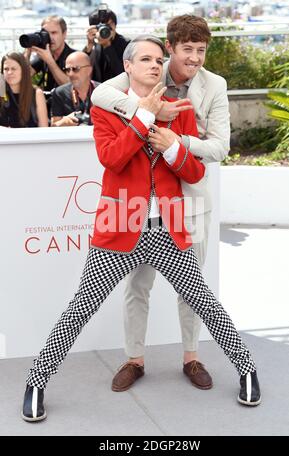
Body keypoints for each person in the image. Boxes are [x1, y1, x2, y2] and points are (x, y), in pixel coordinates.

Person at [22, 35, 260, 423]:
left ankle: (247, 369)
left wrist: (172, 146)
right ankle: (36, 381)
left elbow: (195, 170)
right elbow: (112, 160)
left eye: (159, 59)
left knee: (205, 302)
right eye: (145, 59)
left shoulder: (179, 109)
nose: (155, 65)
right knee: (80, 309)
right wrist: (145, 117)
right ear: (127, 67)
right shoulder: (107, 110)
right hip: (119, 227)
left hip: (167, 229)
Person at [90, 14, 230, 391]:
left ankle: (192, 357)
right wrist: (148, 113)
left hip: (191, 198)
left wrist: (176, 142)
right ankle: (134, 359)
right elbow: (99, 95)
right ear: (170, 49)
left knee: (194, 287)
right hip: (141, 207)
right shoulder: (147, 66)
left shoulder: (214, 85)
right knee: (137, 285)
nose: (196, 58)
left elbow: (220, 147)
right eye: (188, 50)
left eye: (201, 50)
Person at [26, 15, 76, 93]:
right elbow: (24, 75)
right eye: (46, 33)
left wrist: (49, 61)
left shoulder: (74, 57)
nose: (50, 37)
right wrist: (27, 52)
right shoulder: (44, 56)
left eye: (54, 33)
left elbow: (71, 86)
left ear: (64, 34)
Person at [0, 52, 48, 128]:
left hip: (31, 139)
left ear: (23, 70)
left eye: (13, 69)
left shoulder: (36, 93)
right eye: (6, 69)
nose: (9, 72)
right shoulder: (0, 90)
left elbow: (43, 128)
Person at [51, 52, 99, 127]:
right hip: (71, 138)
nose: (71, 74)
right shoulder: (59, 93)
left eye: (75, 69)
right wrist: (64, 122)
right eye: (67, 70)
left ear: (89, 70)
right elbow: (52, 128)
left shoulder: (103, 91)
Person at [83, 7, 129, 83]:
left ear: (114, 25)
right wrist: (89, 46)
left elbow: (124, 76)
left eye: (108, 25)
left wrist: (107, 46)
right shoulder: (94, 44)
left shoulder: (127, 44)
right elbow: (81, 70)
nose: (104, 30)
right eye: (100, 27)